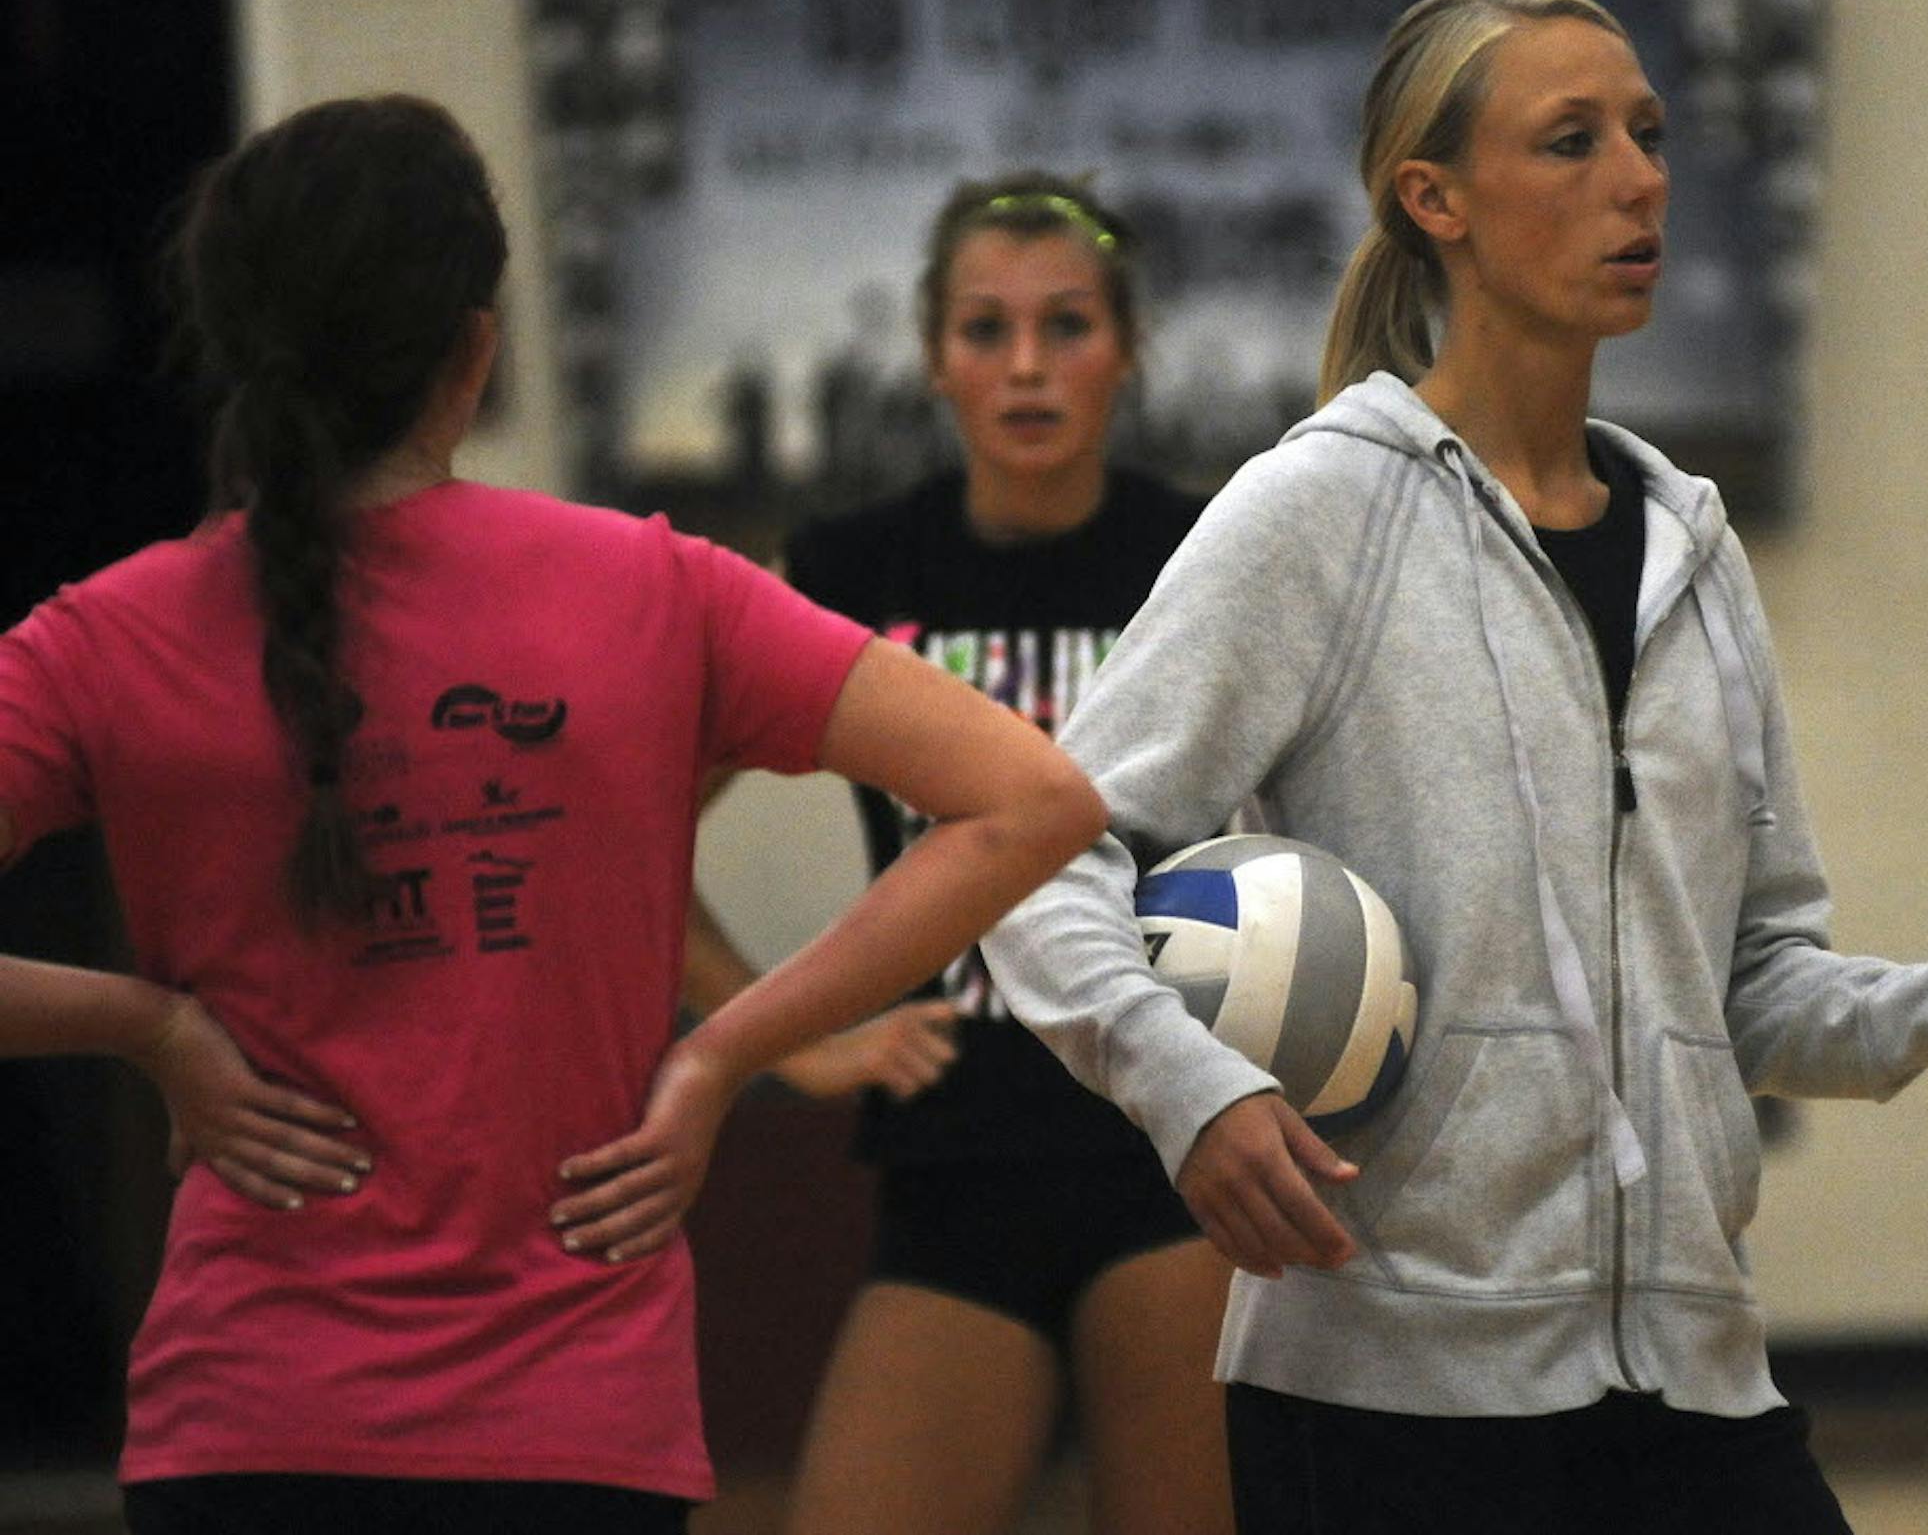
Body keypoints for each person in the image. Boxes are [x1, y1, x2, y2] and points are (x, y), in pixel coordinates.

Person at [979, 0, 1928, 1535]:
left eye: (1646, 132)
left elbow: (1750, 984)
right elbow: (1032, 855)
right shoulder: (1320, 515)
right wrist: (1192, 1088)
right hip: (1386, 1400)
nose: (1640, 177)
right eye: (1571, 142)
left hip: (1694, 1377)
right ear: (1435, 201)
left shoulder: (1694, 548)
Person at [0, 96, 1105, 1535]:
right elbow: (1034, 797)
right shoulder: (653, 587)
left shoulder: (106, 638)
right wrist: (726, 1055)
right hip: (573, 1434)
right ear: (479, 343)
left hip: (246, 1427)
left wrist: (147, 1027)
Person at [683, 172, 1230, 1535]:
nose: (1028, 366)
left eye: (1067, 325)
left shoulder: (1210, 555)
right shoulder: (857, 566)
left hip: (1168, 1149)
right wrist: (776, 1037)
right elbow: (631, 834)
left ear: (1130, 347)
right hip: (955, 1157)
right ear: (933, 358)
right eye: (987, 330)